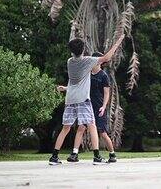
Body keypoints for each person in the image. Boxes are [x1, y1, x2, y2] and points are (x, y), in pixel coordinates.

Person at [48, 35, 124, 165]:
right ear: (83, 50)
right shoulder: (88, 61)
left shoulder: (69, 61)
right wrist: (118, 41)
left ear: (71, 51)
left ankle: (54, 157)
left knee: (65, 128)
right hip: (83, 99)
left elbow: (75, 83)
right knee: (92, 125)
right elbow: (106, 58)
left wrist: (65, 88)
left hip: (70, 99)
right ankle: (97, 157)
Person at [89, 52, 117, 163]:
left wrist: (104, 107)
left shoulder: (103, 76)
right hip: (89, 107)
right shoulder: (88, 74)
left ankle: (112, 154)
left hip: (100, 108)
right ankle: (95, 155)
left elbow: (106, 94)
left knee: (103, 133)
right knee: (86, 128)